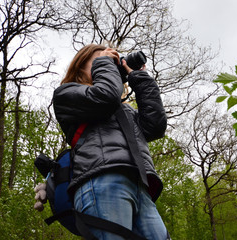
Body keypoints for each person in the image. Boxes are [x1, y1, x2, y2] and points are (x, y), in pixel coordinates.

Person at [52, 44, 168, 240]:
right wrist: (105, 63)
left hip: (140, 185)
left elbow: (155, 126)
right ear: (81, 66)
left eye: (114, 63)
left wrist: (140, 78)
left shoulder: (126, 110)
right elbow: (104, 98)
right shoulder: (66, 94)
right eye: (104, 59)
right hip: (101, 180)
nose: (111, 65)